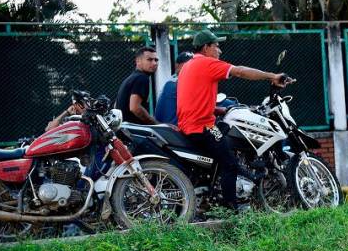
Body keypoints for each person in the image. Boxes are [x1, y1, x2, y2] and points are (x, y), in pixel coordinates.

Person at [176, 30, 291, 212]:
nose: (220, 51)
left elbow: (194, 100)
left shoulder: (188, 67)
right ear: (206, 47)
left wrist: (223, 109)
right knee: (229, 163)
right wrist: (272, 76)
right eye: (217, 46)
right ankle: (232, 208)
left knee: (224, 135)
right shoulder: (207, 63)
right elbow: (241, 71)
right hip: (203, 126)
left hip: (188, 125)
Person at [115, 46, 159, 124]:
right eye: (149, 60)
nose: (154, 63)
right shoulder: (142, 78)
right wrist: (156, 124)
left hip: (124, 128)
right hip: (133, 131)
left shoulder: (131, 78)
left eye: (156, 60)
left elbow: (116, 105)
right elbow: (135, 108)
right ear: (138, 61)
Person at [154, 51, 195, 125]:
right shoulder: (178, 83)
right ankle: (218, 136)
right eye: (187, 64)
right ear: (177, 65)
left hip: (166, 127)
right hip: (179, 129)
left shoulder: (171, 80)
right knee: (213, 128)